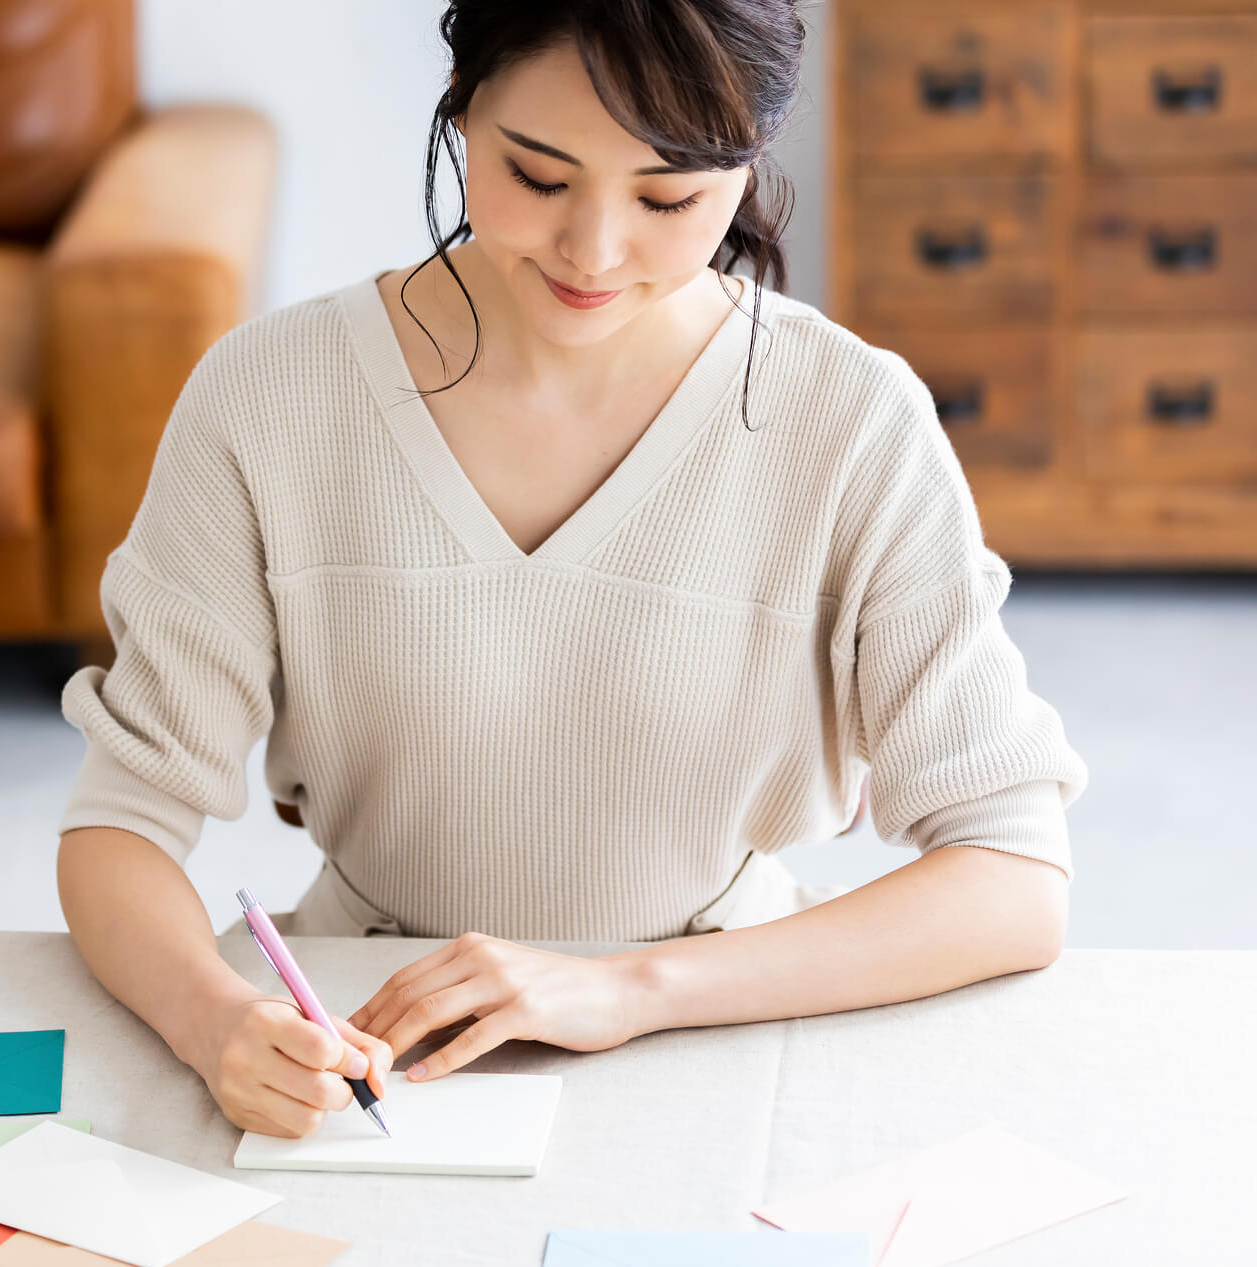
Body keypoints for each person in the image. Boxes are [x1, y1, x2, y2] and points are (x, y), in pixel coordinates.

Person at [54, 0, 1088, 1140]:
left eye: (666, 199)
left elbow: (1009, 872)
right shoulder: (267, 398)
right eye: (536, 177)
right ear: (461, 112)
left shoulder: (848, 420)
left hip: (718, 1025)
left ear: (746, 170)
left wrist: (623, 989)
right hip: (369, 1041)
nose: (590, 252)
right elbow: (121, 826)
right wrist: (215, 1020)